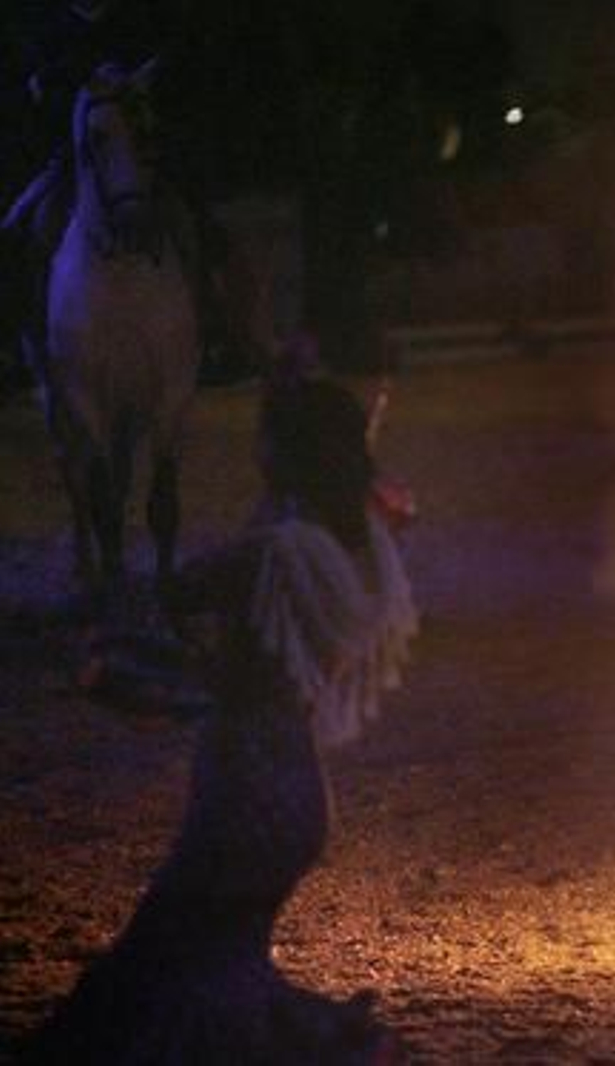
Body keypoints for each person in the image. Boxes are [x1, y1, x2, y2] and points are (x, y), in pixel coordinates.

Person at [27, 375, 419, 1063]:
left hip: (245, 785)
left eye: (264, 437)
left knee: (174, 962)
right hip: (297, 789)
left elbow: (189, 626)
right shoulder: (348, 547)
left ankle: (336, 1043)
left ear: (281, 452)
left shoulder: (271, 554)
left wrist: (110, 669)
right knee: (212, 959)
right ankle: (338, 1040)